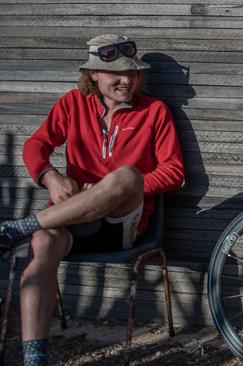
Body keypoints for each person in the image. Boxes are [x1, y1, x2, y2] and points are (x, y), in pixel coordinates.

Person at [0, 34, 184, 365]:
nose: (127, 81)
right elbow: (35, 145)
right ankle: (34, 360)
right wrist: (49, 177)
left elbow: (174, 172)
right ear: (93, 75)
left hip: (122, 224)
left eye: (133, 73)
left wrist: (118, 189)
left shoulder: (155, 111)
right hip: (70, 221)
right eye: (117, 74)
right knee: (42, 246)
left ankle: (20, 227)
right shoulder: (71, 104)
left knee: (127, 176)